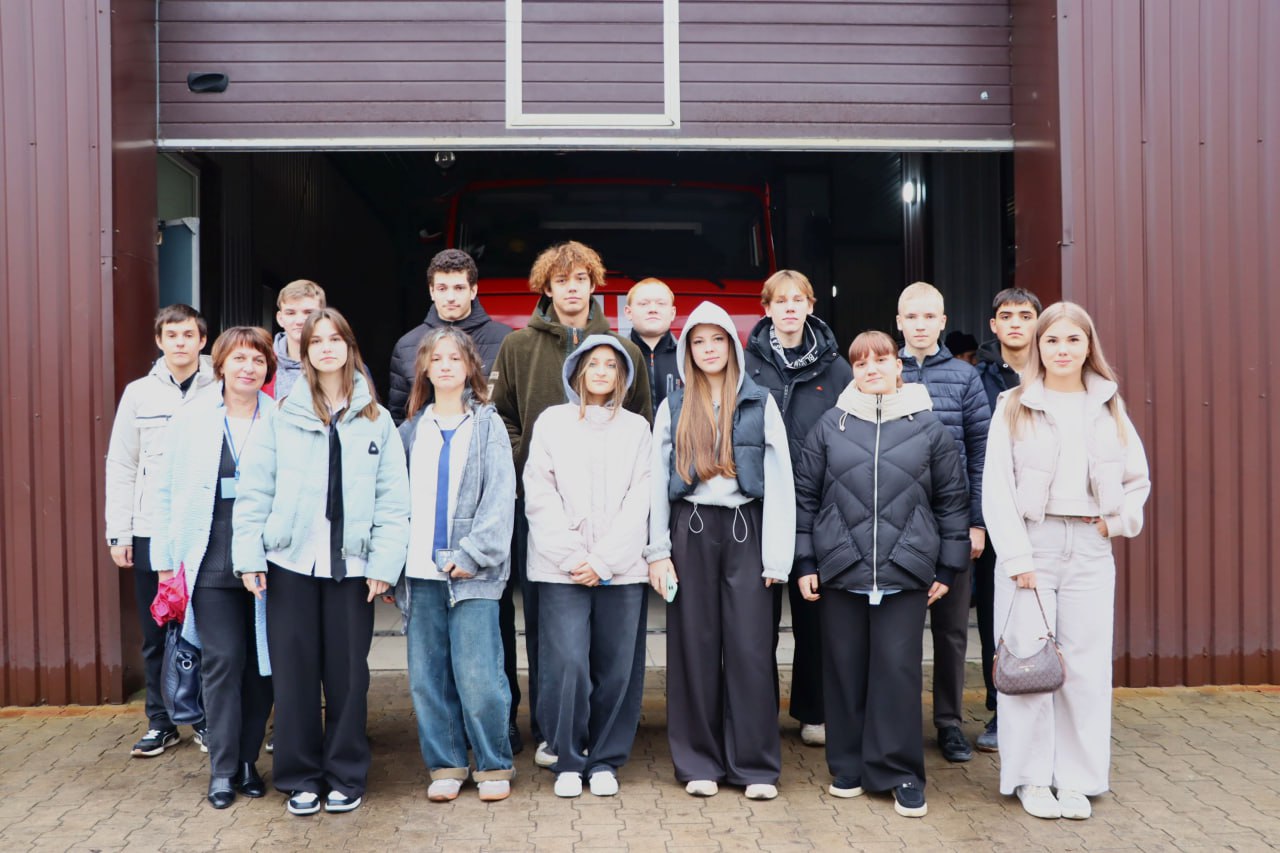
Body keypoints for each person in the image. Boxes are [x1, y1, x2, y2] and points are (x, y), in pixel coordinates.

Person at [232, 308, 410, 817]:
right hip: (290, 564)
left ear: (349, 347)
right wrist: (249, 556)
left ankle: (346, 775)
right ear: (304, 351)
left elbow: (393, 500)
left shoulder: (377, 419)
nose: (327, 347)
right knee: (294, 676)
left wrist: (384, 564)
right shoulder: (281, 415)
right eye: (317, 341)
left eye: (336, 339)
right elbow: (255, 490)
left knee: (349, 677)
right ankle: (300, 777)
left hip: (352, 569)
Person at [982, 301, 1150, 821]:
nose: (1062, 349)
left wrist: (1115, 523)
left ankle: (1077, 779)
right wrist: (1016, 555)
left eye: (1073, 339)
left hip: (1090, 548)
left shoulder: (1109, 405)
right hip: (1032, 545)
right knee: (1029, 662)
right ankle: (1031, 778)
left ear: (1088, 345)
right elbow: (996, 487)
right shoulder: (1014, 404)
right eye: (1052, 340)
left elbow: (1137, 479)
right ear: (1039, 346)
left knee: (1085, 669)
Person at [793, 330, 969, 819]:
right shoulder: (830, 426)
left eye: (881, 360)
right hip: (841, 567)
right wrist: (805, 561)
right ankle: (848, 766)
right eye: (861, 362)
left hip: (905, 569)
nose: (871, 369)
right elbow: (805, 499)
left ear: (898, 366)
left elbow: (952, 501)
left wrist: (948, 565)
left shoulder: (929, 427)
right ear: (852, 370)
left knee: (897, 673)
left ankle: (900, 772)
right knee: (844, 671)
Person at [490, 240, 652, 767]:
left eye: (581, 278)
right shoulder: (518, 346)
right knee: (548, 628)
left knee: (613, 637)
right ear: (547, 287)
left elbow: (642, 417)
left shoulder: (623, 348)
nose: (572, 288)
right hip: (542, 509)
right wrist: (524, 459)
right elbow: (502, 415)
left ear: (593, 284)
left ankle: (604, 730)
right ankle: (551, 730)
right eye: (561, 280)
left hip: (613, 520)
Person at [645, 300, 794, 801]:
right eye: (698, 341)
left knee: (751, 649)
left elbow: (781, 480)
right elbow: (655, 483)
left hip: (747, 530)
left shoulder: (759, 402)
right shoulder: (673, 405)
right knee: (695, 647)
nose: (709, 349)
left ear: (733, 345)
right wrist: (658, 551)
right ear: (687, 350)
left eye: (717, 340)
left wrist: (778, 556)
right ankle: (699, 762)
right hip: (690, 530)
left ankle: (754, 766)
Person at [150, 327, 276, 808]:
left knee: (261, 667)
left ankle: (247, 762)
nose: (249, 368)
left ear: (268, 369)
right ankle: (222, 769)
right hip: (208, 562)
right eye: (239, 359)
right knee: (222, 661)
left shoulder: (280, 418)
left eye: (258, 360)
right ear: (220, 365)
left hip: (266, 564)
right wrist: (164, 562)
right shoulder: (192, 419)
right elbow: (164, 490)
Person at [524, 336, 652, 799]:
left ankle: (604, 760)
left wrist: (604, 560)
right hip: (561, 568)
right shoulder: (552, 422)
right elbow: (539, 492)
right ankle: (568, 758)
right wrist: (573, 556)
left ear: (623, 377)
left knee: (617, 667)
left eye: (611, 366)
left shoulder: (637, 428)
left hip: (621, 568)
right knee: (568, 663)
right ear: (577, 370)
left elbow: (642, 497)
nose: (601, 372)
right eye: (593, 363)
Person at [397, 327, 517, 803]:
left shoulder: (487, 425)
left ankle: (493, 763)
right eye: (437, 358)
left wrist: (473, 555)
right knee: (428, 678)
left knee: (479, 675)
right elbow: (394, 501)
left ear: (470, 367)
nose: (445, 365)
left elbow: (500, 497)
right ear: (424, 369)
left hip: (474, 572)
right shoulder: (409, 431)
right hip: (420, 571)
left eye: (454, 358)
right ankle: (445, 764)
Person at [743, 269, 852, 749]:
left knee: (814, 616)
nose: (789, 308)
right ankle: (757, 711)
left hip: (817, 505)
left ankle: (814, 711)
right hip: (759, 505)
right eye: (779, 301)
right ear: (766, 308)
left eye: (797, 300)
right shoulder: (746, 364)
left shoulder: (837, 368)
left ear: (811, 305)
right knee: (756, 619)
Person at [105, 303, 218, 757]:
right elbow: (122, 464)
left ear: (202, 340)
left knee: (207, 626)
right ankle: (161, 721)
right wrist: (120, 532)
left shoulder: (221, 386)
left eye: (188, 334)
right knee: (157, 632)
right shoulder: (139, 394)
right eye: (171, 335)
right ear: (159, 341)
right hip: (152, 527)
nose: (180, 342)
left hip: (204, 527)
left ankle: (206, 719)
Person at [895, 281, 991, 763]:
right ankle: (900, 721)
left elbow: (982, 453)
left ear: (942, 321)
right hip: (897, 524)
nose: (920, 325)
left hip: (951, 522)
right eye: (911, 317)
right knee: (900, 630)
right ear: (899, 322)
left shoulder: (965, 377)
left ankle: (949, 722)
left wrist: (977, 523)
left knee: (952, 630)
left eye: (929, 316)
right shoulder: (881, 371)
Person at [972, 287, 1042, 752]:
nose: (1015, 323)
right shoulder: (976, 380)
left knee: (1047, 616)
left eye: (1025, 315)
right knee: (997, 619)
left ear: (1038, 322)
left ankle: (1048, 705)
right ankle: (1000, 708)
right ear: (994, 326)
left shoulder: (1056, 375)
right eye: (1006, 315)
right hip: (996, 518)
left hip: (1045, 518)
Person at [389, 248, 514, 424]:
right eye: (442, 288)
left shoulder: (505, 340)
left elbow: (516, 411)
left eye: (459, 288)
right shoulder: (406, 346)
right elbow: (399, 419)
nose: (450, 297)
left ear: (473, 290)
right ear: (432, 292)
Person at [625, 278, 680, 412]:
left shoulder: (688, 357)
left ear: (672, 313)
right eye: (644, 304)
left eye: (661, 304)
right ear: (628, 312)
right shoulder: (616, 356)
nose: (653, 309)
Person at [266, 279, 325, 399]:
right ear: (280, 319)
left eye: (308, 312)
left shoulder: (343, 363)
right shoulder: (262, 362)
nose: (299, 321)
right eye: (290, 313)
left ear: (323, 316)